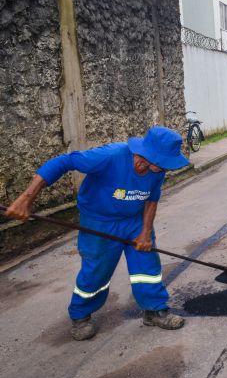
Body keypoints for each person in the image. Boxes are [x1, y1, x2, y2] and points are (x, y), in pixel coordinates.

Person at [4, 126, 190, 340]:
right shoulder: (109, 156)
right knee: (96, 271)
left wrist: (146, 232)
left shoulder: (157, 171)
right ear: (145, 157)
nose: (168, 168)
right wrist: (26, 199)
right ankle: (81, 315)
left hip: (134, 221)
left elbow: (151, 199)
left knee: (147, 267)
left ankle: (154, 310)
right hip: (99, 222)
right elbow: (64, 162)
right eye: (165, 162)